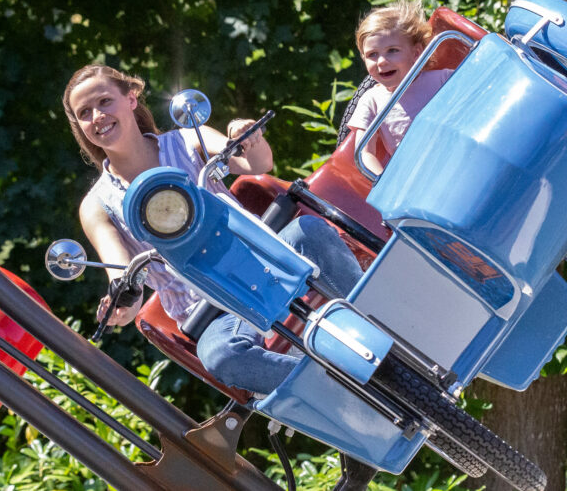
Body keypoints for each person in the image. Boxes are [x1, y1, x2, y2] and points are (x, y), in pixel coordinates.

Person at [64, 64, 363, 395]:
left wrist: (245, 135)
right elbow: (124, 275)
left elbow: (256, 164)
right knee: (220, 355)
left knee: (310, 230)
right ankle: (338, 389)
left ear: (131, 99)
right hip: (209, 309)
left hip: (263, 262)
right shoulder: (97, 205)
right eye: (85, 113)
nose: (98, 116)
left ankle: (377, 327)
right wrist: (122, 301)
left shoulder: (185, 139)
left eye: (105, 102)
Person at [346, 0, 454, 175]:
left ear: (416, 52)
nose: (381, 61)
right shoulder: (371, 99)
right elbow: (364, 152)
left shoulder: (442, 79)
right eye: (372, 54)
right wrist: (380, 179)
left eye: (392, 51)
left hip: (455, 159)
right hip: (414, 177)